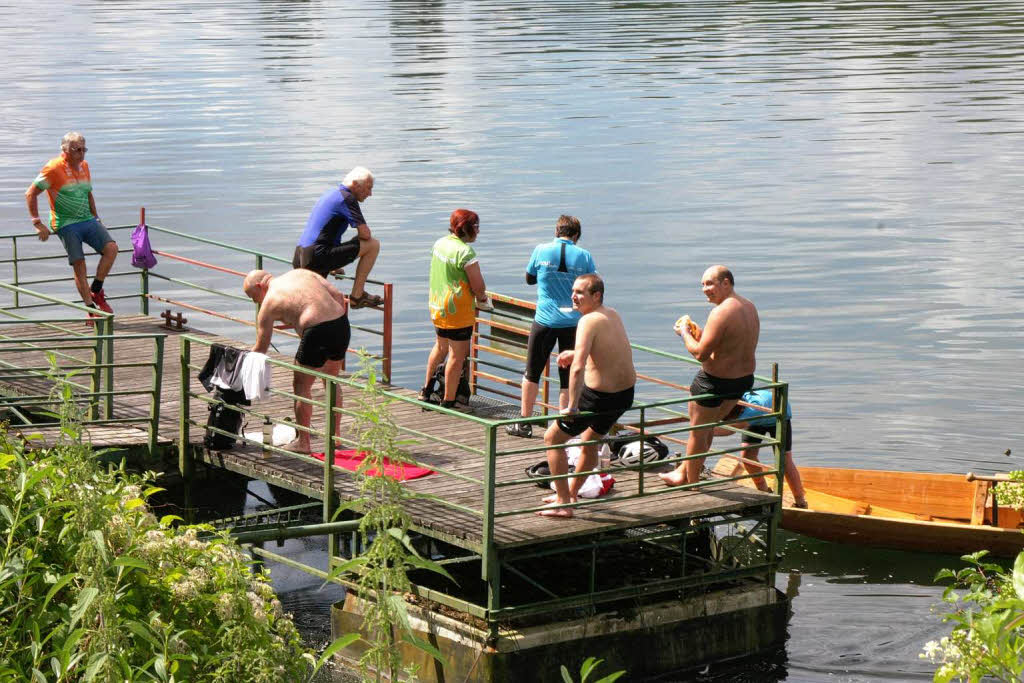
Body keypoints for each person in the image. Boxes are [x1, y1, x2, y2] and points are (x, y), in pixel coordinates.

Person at [539, 274, 636, 518]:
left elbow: (579, 368)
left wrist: (572, 406)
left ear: (597, 296)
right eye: (573, 291)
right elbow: (609, 349)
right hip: (624, 395)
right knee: (590, 441)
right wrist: (575, 352)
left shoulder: (588, 321)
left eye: (580, 292)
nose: (574, 296)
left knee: (552, 438)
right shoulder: (611, 314)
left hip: (598, 397)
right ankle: (571, 493)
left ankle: (563, 503)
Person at [660, 265, 759, 487]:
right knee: (707, 429)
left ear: (726, 283)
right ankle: (683, 473)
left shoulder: (720, 311)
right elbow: (728, 344)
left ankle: (691, 484)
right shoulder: (749, 306)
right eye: (702, 284)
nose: (705, 289)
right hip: (742, 380)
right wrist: (699, 333)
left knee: (697, 432)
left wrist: (684, 332)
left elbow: (700, 353)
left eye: (710, 284)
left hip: (713, 383)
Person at [506, 215, 597, 438]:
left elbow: (529, 278)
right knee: (568, 377)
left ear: (557, 232)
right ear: (576, 235)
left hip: (544, 321)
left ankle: (524, 422)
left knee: (532, 372)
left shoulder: (540, 250)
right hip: (574, 323)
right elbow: (594, 286)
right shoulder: (584, 256)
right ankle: (562, 425)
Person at [242, 268, 351, 454]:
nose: (256, 302)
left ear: (261, 287)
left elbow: (261, 348)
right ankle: (336, 437)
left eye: (254, 297)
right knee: (331, 381)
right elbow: (338, 295)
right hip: (341, 323)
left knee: (301, 386)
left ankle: (303, 443)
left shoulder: (268, 304)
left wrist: (242, 363)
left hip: (316, 330)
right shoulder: (300, 273)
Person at [25, 131, 118, 315]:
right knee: (79, 264)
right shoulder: (52, 168)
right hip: (66, 223)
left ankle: (96, 291)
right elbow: (30, 193)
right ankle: (90, 308)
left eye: (84, 149)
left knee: (111, 249)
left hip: (88, 219)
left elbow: (88, 193)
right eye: (77, 150)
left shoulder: (84, 166)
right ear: (65, 150)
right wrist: (37, 223)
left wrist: (97, 217)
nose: (81, 154)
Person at [420, 209, 489, 410]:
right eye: (476, 226)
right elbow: (478, 286)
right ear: (466, 229)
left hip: (438, 306)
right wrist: (483, 299)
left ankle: (426, 391)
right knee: (457, 356)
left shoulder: (440, 243)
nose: (478, 231)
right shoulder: (465, 252)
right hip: (458, 312)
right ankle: (449, 401)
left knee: (440, 347)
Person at [292, 166, 383, 309]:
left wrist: (334, 266)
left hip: (300, 255)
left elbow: (327, 233)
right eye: (368, 188)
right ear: (355, 184)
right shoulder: (347, 198)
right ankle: (357, 296)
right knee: (372, 245)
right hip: (317, 256)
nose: (370, 194)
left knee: (310, 305)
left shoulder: (332, 193)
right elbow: (365, 234)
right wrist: (356, 242)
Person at [716, 389, 807, 508]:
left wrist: (703, 431)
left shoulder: (750, 413)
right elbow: (710, 415)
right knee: (747, 457)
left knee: (784, 460)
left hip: (778, 414)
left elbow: (728, 430)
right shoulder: (735, 406)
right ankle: (763, 491)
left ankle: (800, 501)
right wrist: (692, 419)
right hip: (759, 415)